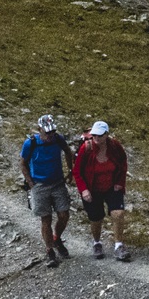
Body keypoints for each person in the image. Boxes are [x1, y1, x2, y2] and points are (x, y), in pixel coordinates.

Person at [20, 114, 74, 266]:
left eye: (53, 131)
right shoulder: (30, 143)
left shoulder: (58, 139)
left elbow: (67, 151)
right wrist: (31, 183)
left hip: (57, 182)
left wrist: (70, 170)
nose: (51, 135)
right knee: (46, 219)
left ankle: (57, 238)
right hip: (39, 185)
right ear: (40, 129)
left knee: (64, 214)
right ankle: (50, 250)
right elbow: (23, 163)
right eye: (48, 132)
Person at [72, 120, 130, 261]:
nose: (96, 138)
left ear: (106, 135)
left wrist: (119, 183)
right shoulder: (86, 149)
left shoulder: (115, 146)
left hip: (111, 186)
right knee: (96, 218)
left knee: (118, 213)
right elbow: (77, 172)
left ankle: (118, 246)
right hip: (92, 188)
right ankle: (97, 242)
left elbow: (123, 164)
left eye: (99, 135)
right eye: (94, 135)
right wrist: (84, 190)